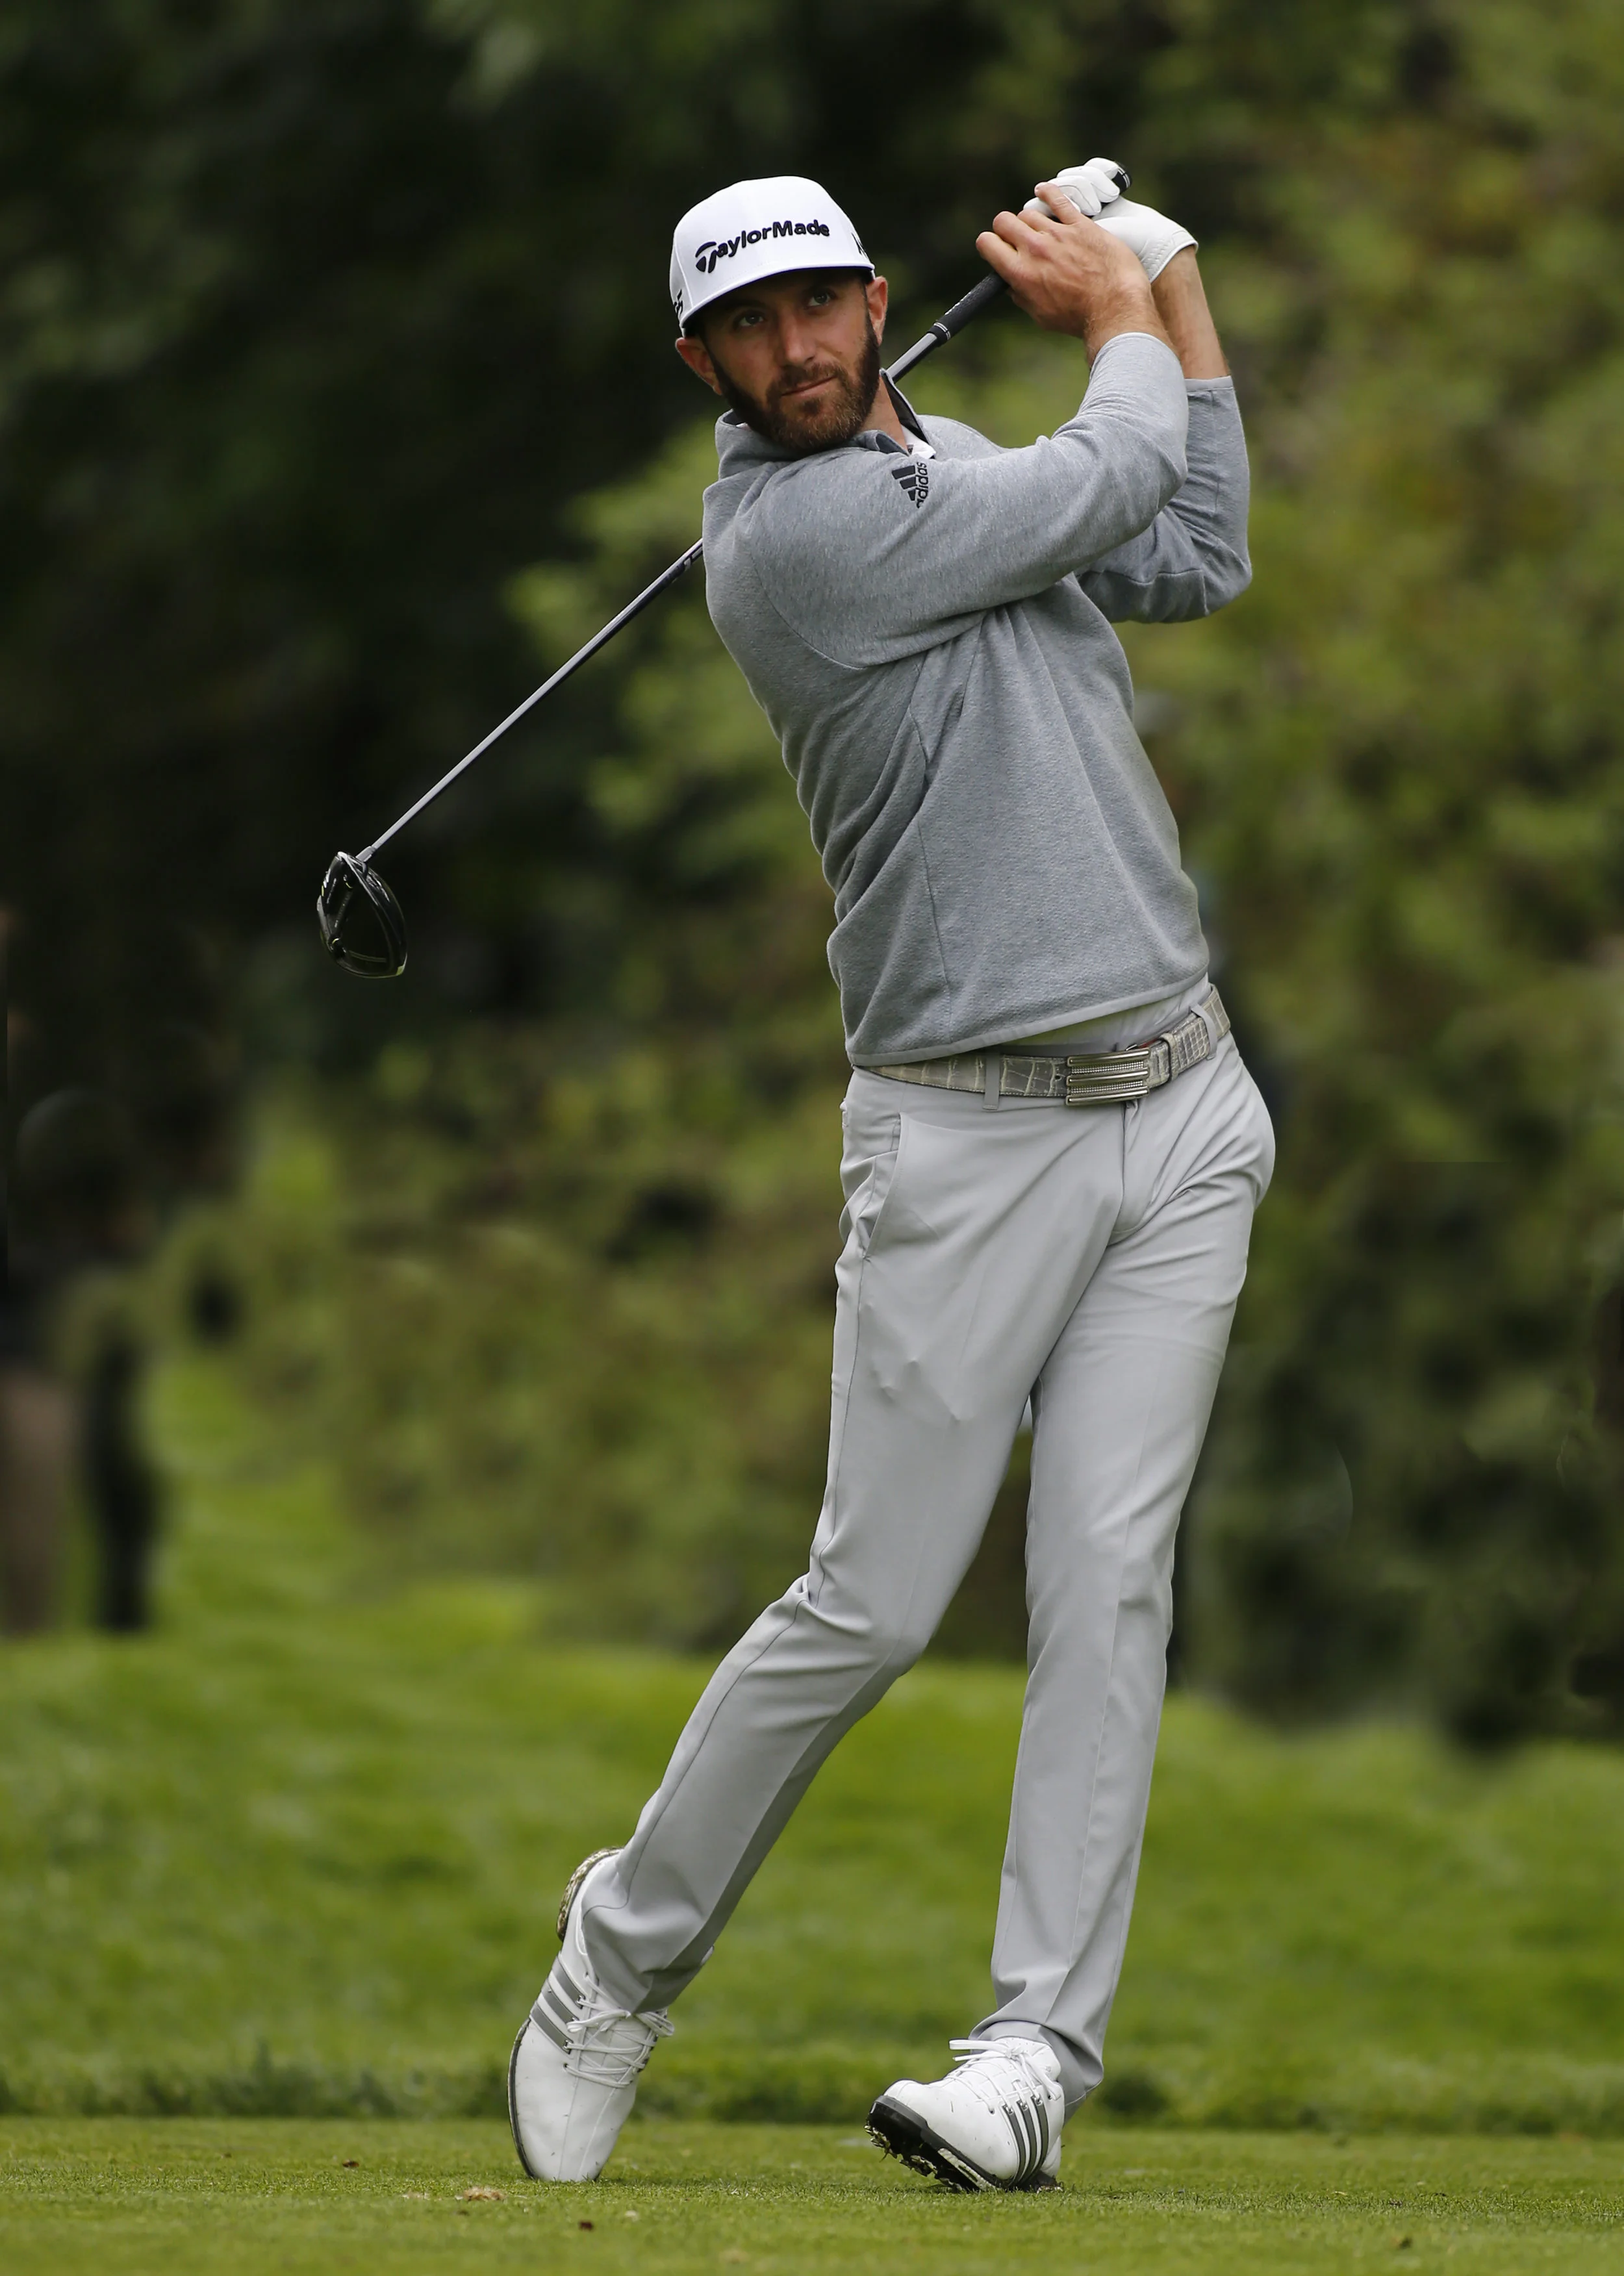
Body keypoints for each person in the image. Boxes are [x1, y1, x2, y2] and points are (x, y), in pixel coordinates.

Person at [509, 164, 1273, 2192]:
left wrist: (1168, 279)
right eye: (745, 330)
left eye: (816, 305)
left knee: (1107, 1586)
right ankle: (619, 1953)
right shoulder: (795, 545)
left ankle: (1028, 2059)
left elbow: (1192, 542)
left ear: (868, 300)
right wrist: (1116, 302)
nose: (793, 350)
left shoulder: (957, 475)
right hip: (968, 1138)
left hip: (1182, 1110)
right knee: (869, 1603)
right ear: (701, 365)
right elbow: (1118, 466)